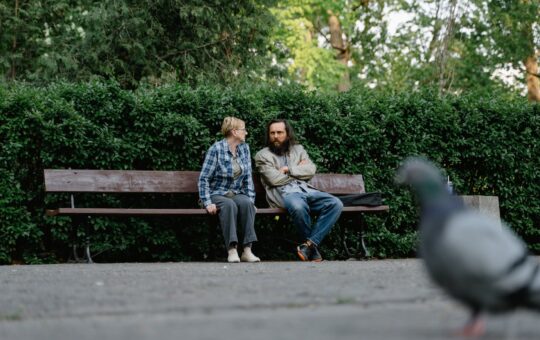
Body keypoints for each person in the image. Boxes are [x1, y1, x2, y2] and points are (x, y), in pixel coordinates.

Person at [255, 119, 343, 262]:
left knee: (335, 203)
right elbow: (273, 179)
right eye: (272, 133)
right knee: (298, 206)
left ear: (287, 134)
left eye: (279, 132)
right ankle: (312, 249)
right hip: (285, 194)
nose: (275, 136)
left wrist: (288, 170)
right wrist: (299, 173)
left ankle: (308, 246)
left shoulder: (298, 149)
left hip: (306, 191)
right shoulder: (262, 155)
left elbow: (311, 170)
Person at [198, 117, 260, 263]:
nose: (246, 132)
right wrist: (207, 202)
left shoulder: (244, 148)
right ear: (234, 132)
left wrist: (251, 201)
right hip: (215, 194)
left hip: (235, 193)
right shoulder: (216, 149)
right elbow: (204, 179)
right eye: (243, 129)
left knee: (246, 203)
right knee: (229, 205)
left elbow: (248, 179)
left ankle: (247, 251)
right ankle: (232, 250)